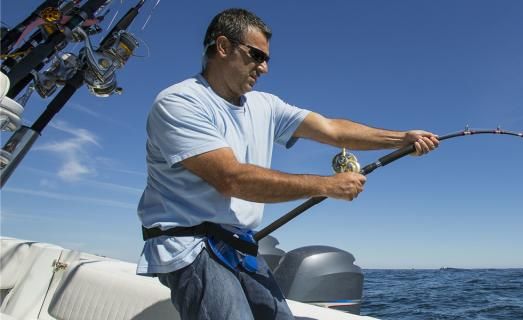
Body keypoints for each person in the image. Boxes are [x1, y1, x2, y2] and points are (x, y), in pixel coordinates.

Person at [135, 8, 439, 320]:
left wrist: (400, 138)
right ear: (223, 47)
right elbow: (231, 179)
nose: (264, 68)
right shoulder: (180, 102)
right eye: (256, 55)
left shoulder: (265, 105)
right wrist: (327, 186)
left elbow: (331, 129)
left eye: (266, 59)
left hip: (239, 243)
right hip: (191, 246)